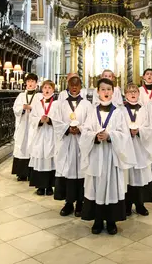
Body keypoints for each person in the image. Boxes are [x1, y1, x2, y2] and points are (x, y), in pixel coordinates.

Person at [80, 78, 135, 235]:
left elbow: (124, 135)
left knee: (111, 186)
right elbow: (85, 133)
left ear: (113, 91)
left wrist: (110, 135)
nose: (105, 92)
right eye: (102, 89)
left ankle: (111, 220)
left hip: (111, 157)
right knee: (96, 186)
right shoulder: (92, 112)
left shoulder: (118, 112)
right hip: (96, 156)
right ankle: (97, 220)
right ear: (97, 92)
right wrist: (95, 136)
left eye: (108, 89)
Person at [52, 75, 91, 217]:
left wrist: (80, 129)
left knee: (81, 171)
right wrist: (67, 129)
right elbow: (56, 122)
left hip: (81, 143)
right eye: (72, 84)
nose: (74, 87)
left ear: (81, 87)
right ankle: (68, 202)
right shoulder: (61, 104)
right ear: (68, 86)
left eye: (77, 84)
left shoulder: (87, 105)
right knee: (67, 171)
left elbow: (91, 123)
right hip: (67, 143)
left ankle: (80, 202)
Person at [122, 83, 152, 216]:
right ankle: (127, 204)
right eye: (129, 92)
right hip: (127, 147)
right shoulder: (121, 110)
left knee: (140, 176)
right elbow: (117, 127)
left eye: (135, 91)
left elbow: (149, 127)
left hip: (141, 147)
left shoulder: (144, 109)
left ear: (139, 93)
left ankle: (140, 204)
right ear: (125, 94)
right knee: (127, 176)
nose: (133, 93)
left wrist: (139, 131)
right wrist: (127, 131)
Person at [28, 80, 58, 195]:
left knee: (50, 159)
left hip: (51, 134)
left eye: (49, 88)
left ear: (53, 90)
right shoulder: (37, 104)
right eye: (45, 87)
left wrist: (50, 120)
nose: (47, 90)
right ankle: (41, 186)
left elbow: (59, 119)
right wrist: (39, 120)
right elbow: (32, 118)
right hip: (40, 134)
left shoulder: (56, 104)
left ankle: (50, 186)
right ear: (42, 89)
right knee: (40, 158)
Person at [11, 73, 41, 181]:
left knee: (32, 146)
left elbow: (41, 109)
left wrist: (31, 108)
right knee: (21, 147)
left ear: (36, 83)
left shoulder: (39, 96)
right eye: (28, 81)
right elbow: (15, 108)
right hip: (23, 124)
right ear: (25, 83)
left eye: (32, 81)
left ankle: (31, 173)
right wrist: (23, 108)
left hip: (33, 126)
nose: (30, 84)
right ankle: (21, 173)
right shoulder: (21, 96)